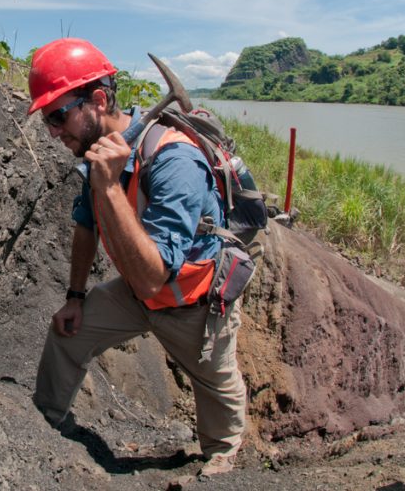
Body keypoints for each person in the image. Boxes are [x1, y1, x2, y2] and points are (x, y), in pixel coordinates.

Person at [28, 37, 246, 478]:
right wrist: (75, 295)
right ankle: (41, 425)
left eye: (58, 115)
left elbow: (154, 279)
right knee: (67, 333)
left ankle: (223, 464)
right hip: (136, 291)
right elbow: (86, 224)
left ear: (99, 100)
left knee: (218, 392)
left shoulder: (174, 160)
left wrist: (109, 185)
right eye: (47, 120)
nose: (53, 130)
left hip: (193, 305)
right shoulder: (98, 156)